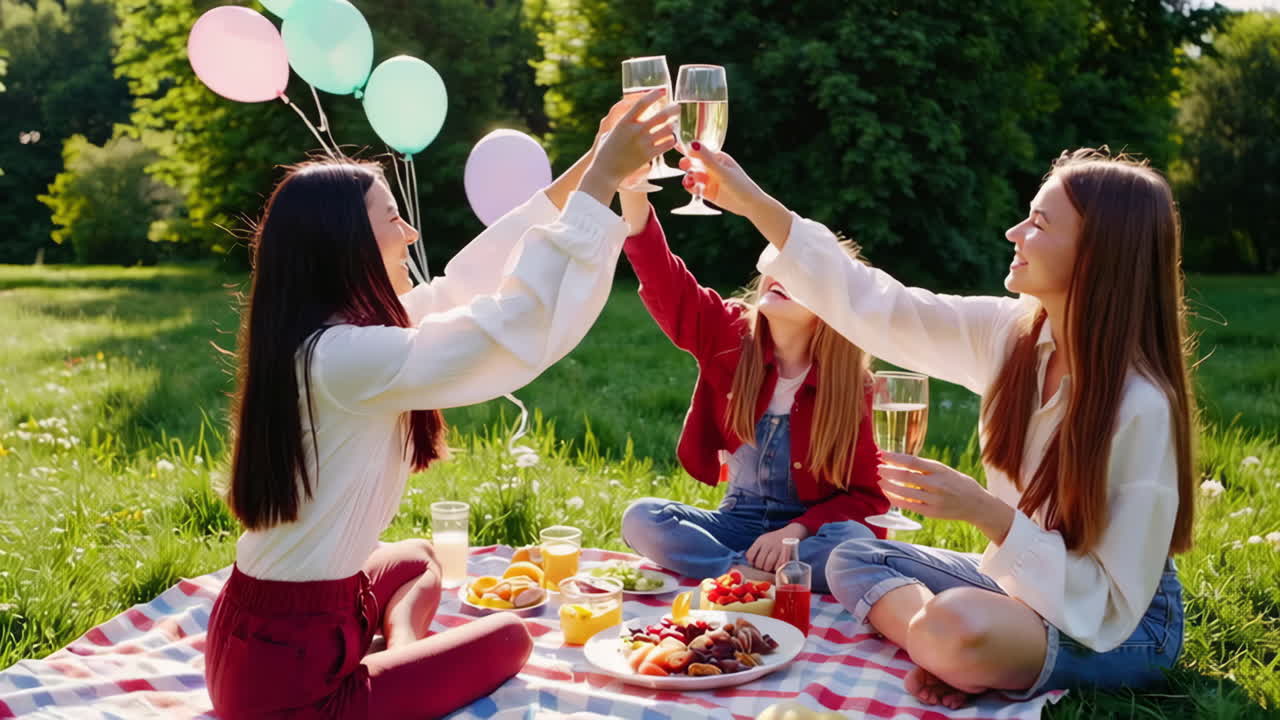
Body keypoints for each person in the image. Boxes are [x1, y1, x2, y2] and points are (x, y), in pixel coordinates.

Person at [204, 91, 678, 719]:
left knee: (416, 559)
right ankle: (388, 669)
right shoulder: (344, 357)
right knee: (510, 637)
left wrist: (594, 163)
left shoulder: (328, 335)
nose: (411, 232)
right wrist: (599, 183)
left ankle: (398, 655)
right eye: (392, 221)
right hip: (290, 686)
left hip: (265, 628)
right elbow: (509, 323)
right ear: (347, 248)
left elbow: (463, 290)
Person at [678, 143, 1195, 706]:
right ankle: (952, 649)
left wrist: (983, 512)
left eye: (1039, 223)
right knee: (853, 553)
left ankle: (954, 644)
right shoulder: (1011, 336)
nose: (1014, 233)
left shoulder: (1141, 403)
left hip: (1122, 623)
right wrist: (755, 204)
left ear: (1097, 252)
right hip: (1019, 589)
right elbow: (884, 307)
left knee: (956, 623)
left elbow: (1109, 599)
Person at [616, 187, 889, 593]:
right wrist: (633, 192)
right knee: (641, 519)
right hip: (735, 522)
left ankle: (749, 573)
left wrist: (796, 529)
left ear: (829, 309)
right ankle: (748, 575)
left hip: (808, 535)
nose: (781, 276)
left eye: (803, 276)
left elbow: (868, 500)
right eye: (781, 265)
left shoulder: (850, 385)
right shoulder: (728, 334)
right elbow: (666, 282)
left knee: (852, 544)